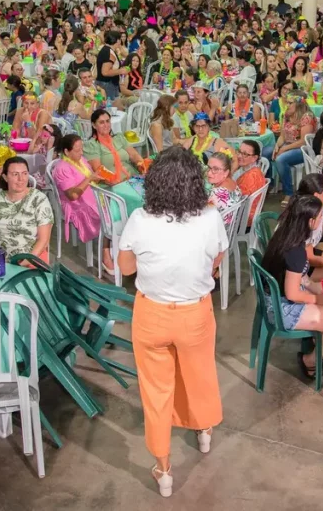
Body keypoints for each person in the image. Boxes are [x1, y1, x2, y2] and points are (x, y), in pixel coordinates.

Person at [115, 146, 229, 497]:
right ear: (196, 181)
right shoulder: (210, 217)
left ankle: (163, 469)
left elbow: (126, 269)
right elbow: (218, 257)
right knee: (200, 375)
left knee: (156, 391)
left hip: (151, 315)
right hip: (195, 312)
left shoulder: (139, 219)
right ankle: (204, 432)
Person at [261, 194, 323, 380]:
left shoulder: (287, 234)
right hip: (282, 307)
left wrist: (313, 285)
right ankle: (309, 360)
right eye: (320, 216)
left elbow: (298, 276)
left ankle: (321, 334)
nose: (322, 219)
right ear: (311, 221)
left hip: (279, 295)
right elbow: (293, 294)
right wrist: (318, 298)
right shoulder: (296, 250)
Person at [52, 133, 115, 271]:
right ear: (67, 152)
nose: (82, 152)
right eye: (77, 150)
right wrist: (90, 178)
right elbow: (73, 195)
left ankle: (110, 244)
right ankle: (105, 254)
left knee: (115, 207)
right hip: (75, 204)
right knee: (106, 215)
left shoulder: (81, 160)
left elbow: (89, 176)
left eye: (82, 148)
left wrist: (100, 175)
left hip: (90, 194)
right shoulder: (61, 169)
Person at [0, 156, 53, 262]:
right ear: (5, 177)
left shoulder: (38, 199)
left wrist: (23, 264)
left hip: (28, 258)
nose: (21, 179)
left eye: (24, 173)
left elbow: (43, 240)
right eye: (15, 174)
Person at [233, 139, 268, 226]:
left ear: (254, 158)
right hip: (248, 213)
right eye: (239, 152)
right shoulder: (250, 170)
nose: (240, 156)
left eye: (245, 154)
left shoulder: (251, 176)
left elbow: (236, 200)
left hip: (244, 219)